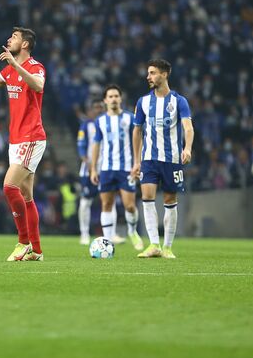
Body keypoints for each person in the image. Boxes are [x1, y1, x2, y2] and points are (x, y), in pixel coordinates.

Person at [0, 28, 47, 262]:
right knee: (26, 196)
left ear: (25, 44)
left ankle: (23, 242)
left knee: (9, 187)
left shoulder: (36, 67)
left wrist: (15, 66)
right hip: (15, 139)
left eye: (14, 38)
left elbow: (38, 86)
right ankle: (36, 251)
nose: (9, 40)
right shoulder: (9, 70)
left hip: (31, 137)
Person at [130, 59, 194, 259]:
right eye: (148, 73)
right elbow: (137, 131)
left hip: (172, 159)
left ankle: (167, 247)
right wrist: (136, 160)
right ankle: (154, 245)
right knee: (147, 197)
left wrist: (188, 148)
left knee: (169, 200)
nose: (148, 77)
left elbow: (188, 127)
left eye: (152, 73)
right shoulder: (143, 102)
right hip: (149, 158)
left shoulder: (179, 101)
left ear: (165, 74)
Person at [89, 84, 143, 250]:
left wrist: (137, 162)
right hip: (106, 169)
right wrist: (93, 168)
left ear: (121, 98)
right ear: (105, 100)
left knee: (130, 205)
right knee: (106, 205)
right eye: (110, 96)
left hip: (126, 168)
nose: (113, 99)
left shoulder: (129, 118)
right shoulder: (100, 121)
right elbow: (96, 144)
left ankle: (132, 231)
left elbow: (138, 139)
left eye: (116, 96)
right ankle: (107, 240)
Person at [76, 99, 102, 245]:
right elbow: (81, 147)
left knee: (108, 201)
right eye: (95, 108)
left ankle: (110, 233)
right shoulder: (86, 126)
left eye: (100, 107)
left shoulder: (108, 123)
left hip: (106, 168)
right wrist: (89, 164)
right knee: (85, 202)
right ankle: (84, 233)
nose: (98, 110)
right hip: (89, 170)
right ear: (89, 111)